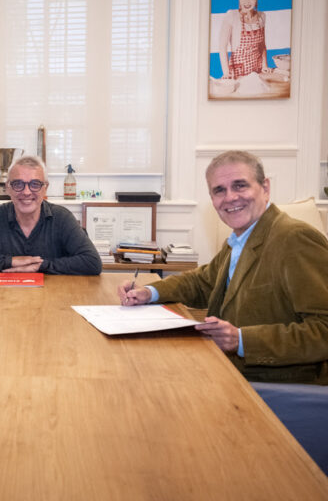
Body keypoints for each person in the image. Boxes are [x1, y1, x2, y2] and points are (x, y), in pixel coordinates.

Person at [118, 150, 328, 384]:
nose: (230, 198)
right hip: (230, 370)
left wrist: (241, 340)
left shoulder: (295, 239)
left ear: (265, 187)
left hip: (280, 388)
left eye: (240, 186)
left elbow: (324, 330)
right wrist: (149, 292)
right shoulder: (240, 239)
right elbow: (201, 282)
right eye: (219, 190)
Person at [0, 155, 102, 275]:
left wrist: (41, 266)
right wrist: (10, 261)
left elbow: (92, 262)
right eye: (18, 184)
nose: (27, 192)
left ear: (45, 188)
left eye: (35, 184)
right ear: (8, 188)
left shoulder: (62, 218)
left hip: (53, 298)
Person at [218, 0, 271, 80]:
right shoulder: (231, 16)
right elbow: (222, 47)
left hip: (257, 70)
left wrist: (264, 65)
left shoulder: (262, 16)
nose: (247, 2)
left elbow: (262, 45)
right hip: (237, 72)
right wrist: (226, 73)